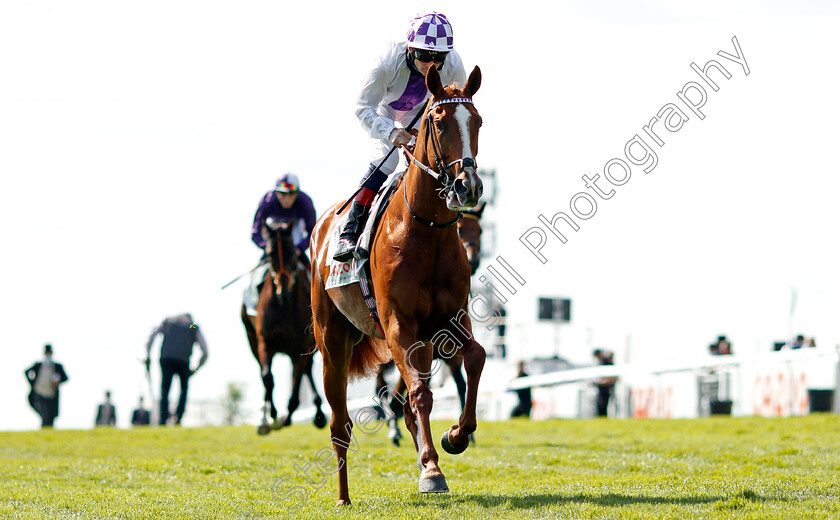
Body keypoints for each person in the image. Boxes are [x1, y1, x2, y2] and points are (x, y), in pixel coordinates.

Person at [333, 12, 467, 261]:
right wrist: (391, 132)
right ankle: (350, 228)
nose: (431, 64)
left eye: (438, 57)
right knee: (388, 159)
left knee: (432, 160)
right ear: (410, 48)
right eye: (424, 55)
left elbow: (458, 109)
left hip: (420, 110)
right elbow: (363, 108)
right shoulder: (385, 62)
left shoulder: (454, 65)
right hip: (384, 107)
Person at [145, 313, 208, 425]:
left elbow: (152, 337)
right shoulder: (192, 325)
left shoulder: (168, 322)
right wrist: (195, 370)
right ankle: (178, 418)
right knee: (183, 389)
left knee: (165, 390)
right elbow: (205, 352)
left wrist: (148, 355)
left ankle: (163, 419)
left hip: (166, 358)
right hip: (183, 361)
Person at [251, 173, 317, 270]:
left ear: (297, 194)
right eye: (283, 194)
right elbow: (255, 232)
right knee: (255, 274)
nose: (287, 199)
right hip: (273, 243)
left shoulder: (305, 202)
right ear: (276, 192)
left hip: (295, 241)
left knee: (312, 273)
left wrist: (299, 249)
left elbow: (313, 232)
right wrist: (266, 246)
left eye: (291, 194)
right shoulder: (267, 201)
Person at [24, 344, 69, 428]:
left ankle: (48, 430)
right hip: (39, 393)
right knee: (45, 414)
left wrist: (58, 381)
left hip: (51, 394)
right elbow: (26, 371)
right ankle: (44, 429)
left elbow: (65, 378)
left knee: (51, 415)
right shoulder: (38, 365)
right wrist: (32, 383)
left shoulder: (57, 366)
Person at [593, 349, 617, 417]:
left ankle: (602, 416)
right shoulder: (603, 362)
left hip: (606, 387)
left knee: (603, 403)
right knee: (601, 403)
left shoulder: (606, 363)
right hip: (603, 387)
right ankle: (601, 416)